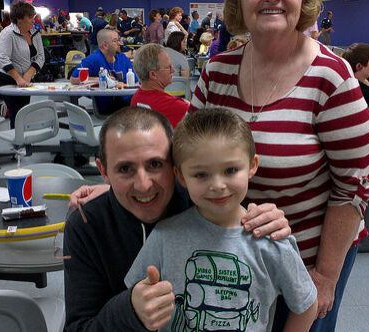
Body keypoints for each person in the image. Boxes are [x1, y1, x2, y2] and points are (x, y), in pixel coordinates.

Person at [190, 1, 369, 331]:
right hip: (234, 259)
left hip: (308, 263)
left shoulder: (331, 77)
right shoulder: (217, 71)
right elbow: (187, 155)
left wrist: (325, 277)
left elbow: (354, 187)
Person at [64, 105, 292, 331]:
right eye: (125, 169)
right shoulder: (85, 225)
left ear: (175, 167)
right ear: (103, 172)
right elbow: (78, 327)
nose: (143, 185)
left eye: (155, 164)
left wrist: (266, 220)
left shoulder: (205, 202)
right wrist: (129, 310)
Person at [125, 108, 318, 331]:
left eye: (230, 170)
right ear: (180, 176)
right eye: (201, 174)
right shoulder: (164, 237)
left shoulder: (271, 240)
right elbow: (134, 299)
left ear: (252, 165)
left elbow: (306, 304)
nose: (217, 185)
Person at [0, 1, 44, 129]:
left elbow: (40, 56)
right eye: (30, 17)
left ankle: (22, 139)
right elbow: (3, 58)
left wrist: (29, 74)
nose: (33, 21)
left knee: (24, 110)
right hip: (8, 78)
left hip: (25, 78)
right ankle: (18, 143)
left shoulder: (35, 33)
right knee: (16, 112)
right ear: (19, 19)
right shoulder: (7, 34)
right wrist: (18, 78)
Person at [70, 27, 137, 115]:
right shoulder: (93, 59)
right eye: (115, 41)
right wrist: (101, 79)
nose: (119, 43)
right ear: (105, 45)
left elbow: (136, 83)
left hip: (127, 102)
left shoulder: (123, 58)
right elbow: (73, 78)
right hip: (108, 106)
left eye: (119, 40)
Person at [131, 43, 188, 128]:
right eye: (168, 67)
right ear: (153, 74)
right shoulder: (175, 107)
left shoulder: (136, 98)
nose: (173, 70)